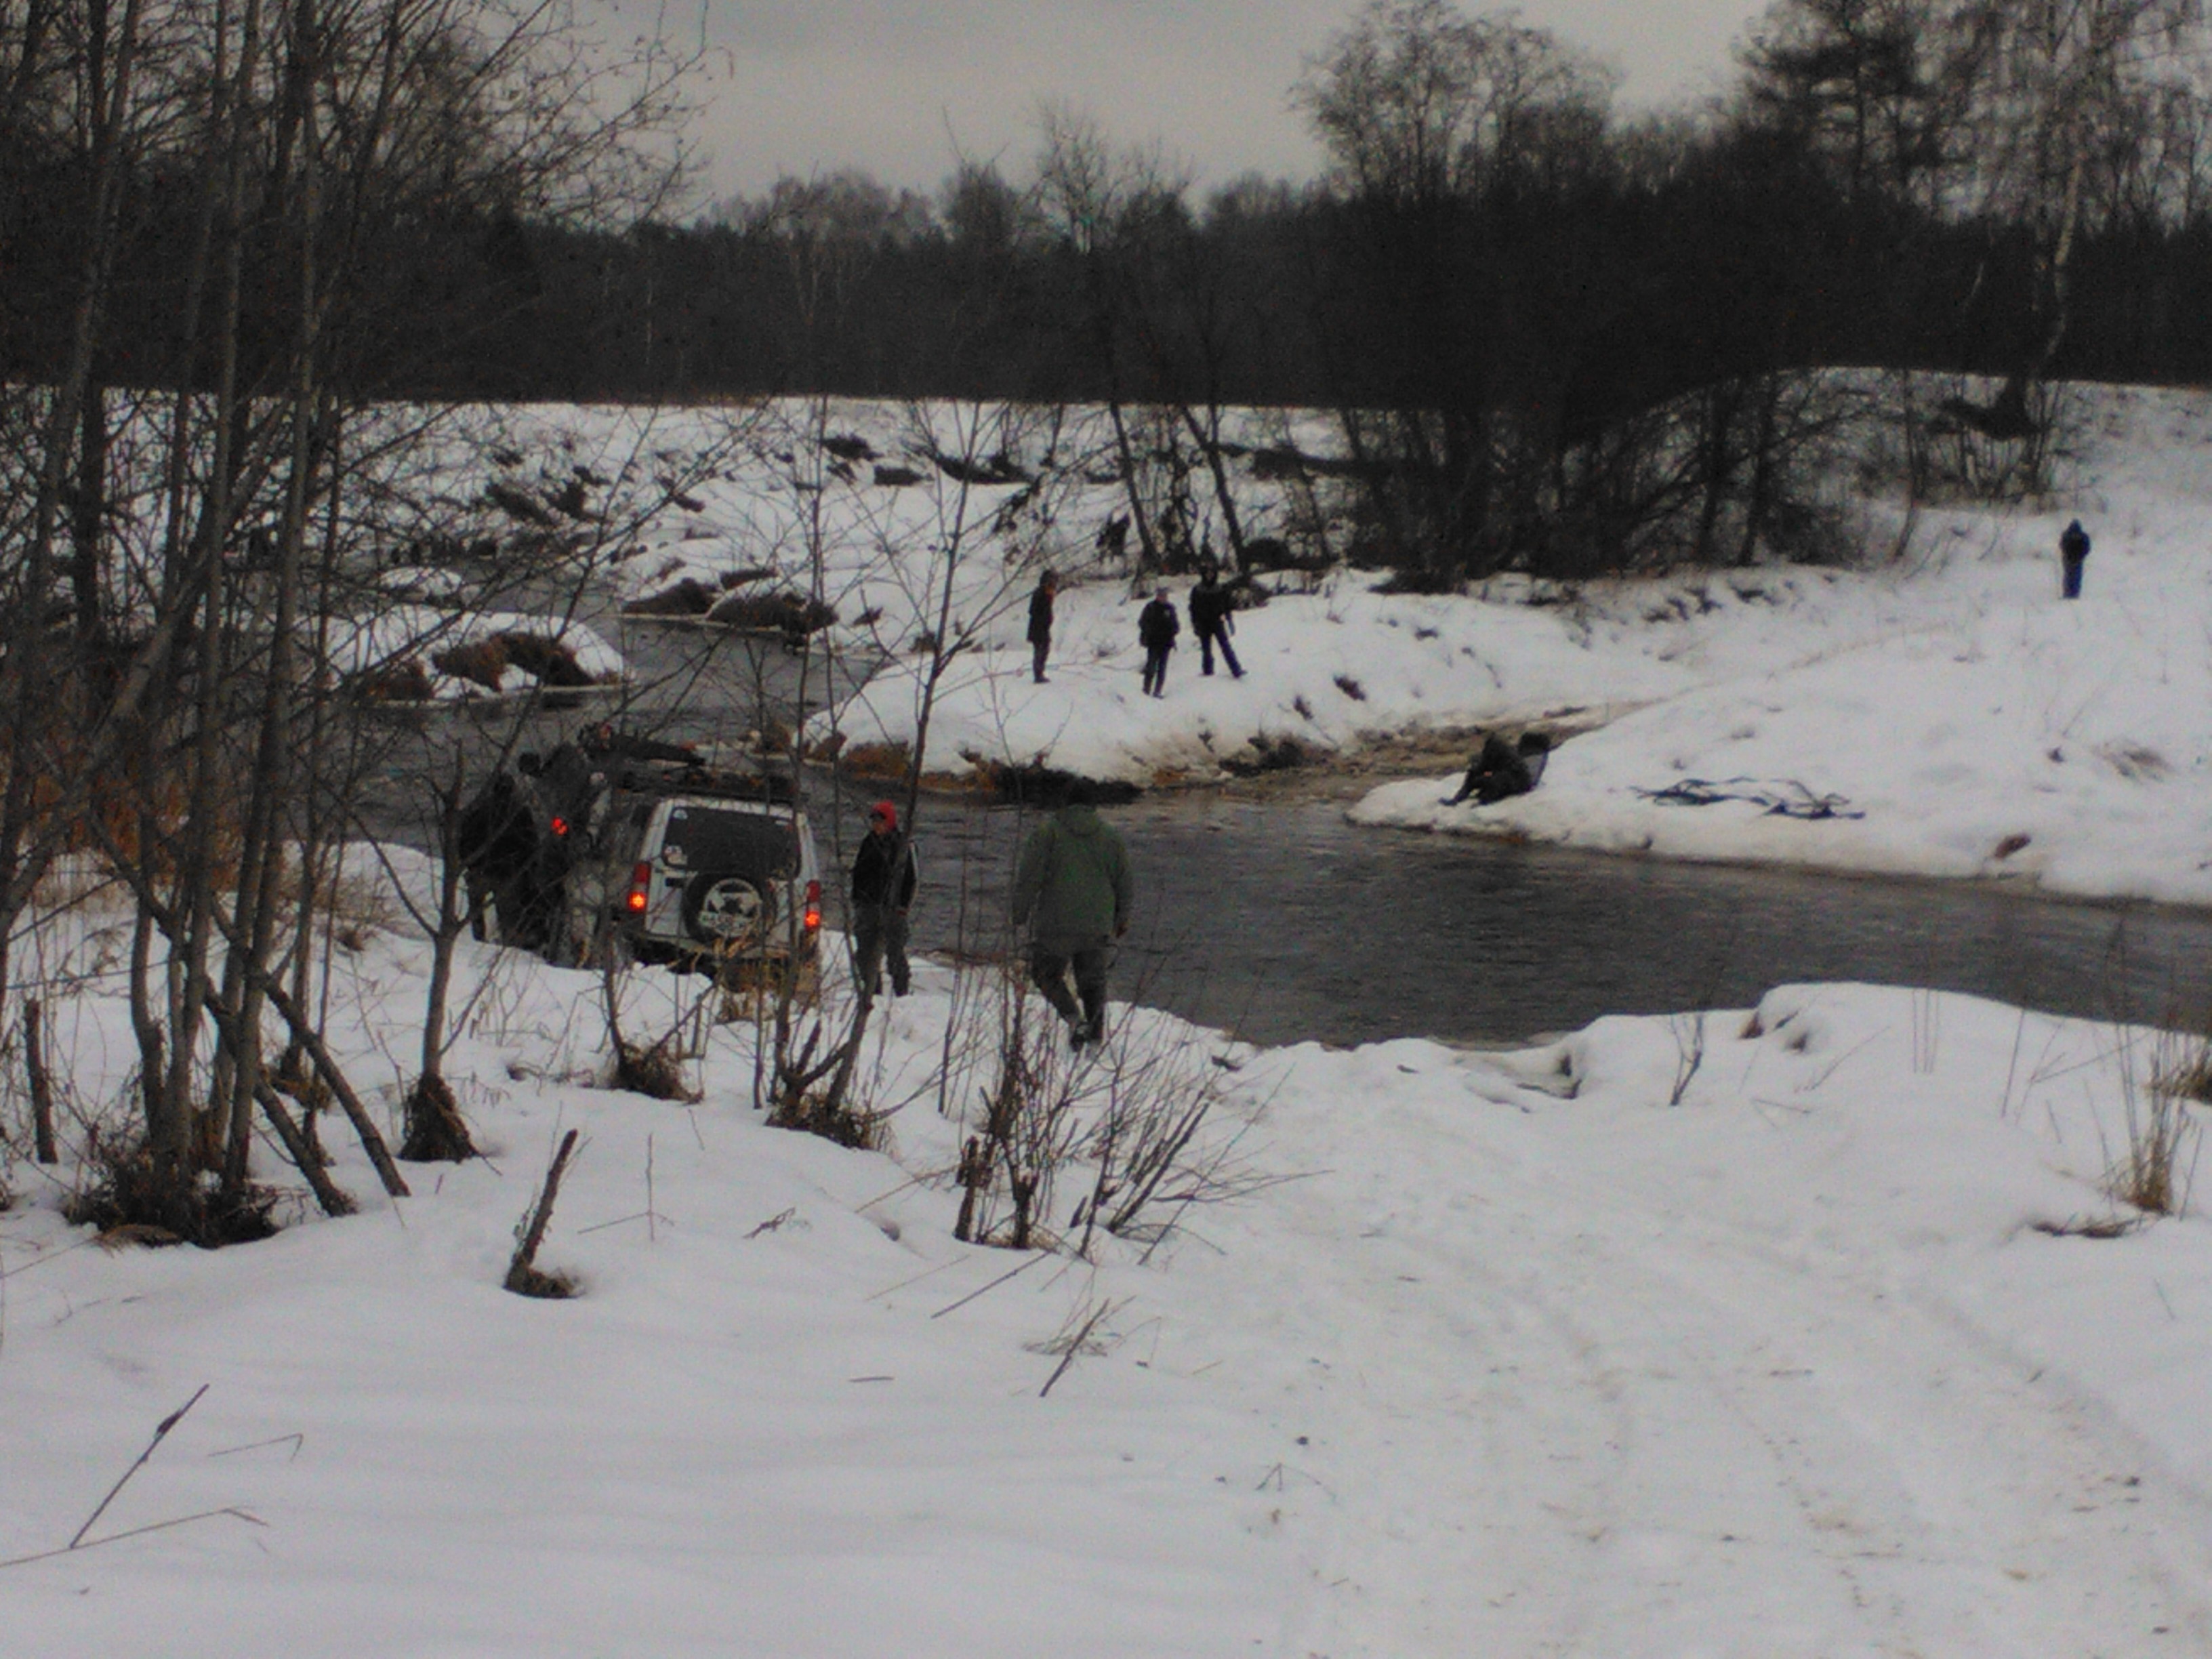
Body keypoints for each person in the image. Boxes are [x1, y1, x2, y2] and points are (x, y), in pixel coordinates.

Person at [1011, 783, 1132, 1048]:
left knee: (1045, 975)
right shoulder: (1111, 837)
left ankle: (1074, 1019)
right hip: (1097, 924)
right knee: (1093, 983)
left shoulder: (1048, 833)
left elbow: (1029, 878)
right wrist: (1122, 919)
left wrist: (1019, 913)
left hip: (1055, 923)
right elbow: (1124, 882)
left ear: (1065, 804)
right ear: (1093, 806)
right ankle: (1095, 1041)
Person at [848, 799, 918, 999]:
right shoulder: (868, 843)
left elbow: (913, 879)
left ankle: (901, 992)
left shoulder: (904, 846)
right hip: (867, 907)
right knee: (865, 954)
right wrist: (857, 900)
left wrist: (903, 906)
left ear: (890, 822)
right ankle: (873, 992)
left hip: (894, 909)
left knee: (895, 954)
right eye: (875, 821)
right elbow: (858, 874)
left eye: (881, 821)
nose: (877, 826)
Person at [1448, 731, 1551, 805]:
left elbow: (1506, 774)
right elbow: (1484, 768)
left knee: (1496, 778)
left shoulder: (1499, 751)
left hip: (1520, 782)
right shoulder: (1494, 750)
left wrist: (1486, 777)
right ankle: (1458, 799)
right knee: (1475, 774)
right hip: (1506, 777)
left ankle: (1484, 801)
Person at [1187, 564, 1243, 679]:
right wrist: (1195, 624)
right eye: (1207, 574)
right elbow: (1193, 608)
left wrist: (1229, 619)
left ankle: (1236, 670)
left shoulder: (1220, 589)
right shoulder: (1197, 590)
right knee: (1206, 649)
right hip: (1203, 623)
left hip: (1217, 621)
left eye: (1212, 574)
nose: (1210, 576)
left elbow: (1227, 605)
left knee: (1225, 646)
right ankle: (1208, 671)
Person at [1138, 586, 1180, 697]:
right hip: (1153, 642)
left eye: (1165, 596)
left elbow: (1176, 626)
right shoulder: (1150, 607)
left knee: (1162, 668)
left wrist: (1171, 632)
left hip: (1166, 643)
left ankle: (1158, 691)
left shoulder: (1170, 608)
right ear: (1157, 596)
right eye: (1161, 596)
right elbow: (1142, 622)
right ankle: (1146, 690)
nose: (1163, 598)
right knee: (1151, 667)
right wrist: (1149, 632)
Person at [1027, 570, 1059, 684]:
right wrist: (1044, 619)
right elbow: (1033, 611)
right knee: (1040, 651)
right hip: (1038, 628)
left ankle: (1040, 673)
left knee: (1044, 650)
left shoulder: (1047, 594)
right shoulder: (1040, 593)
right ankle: (1038, 675)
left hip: (1043, 628)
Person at [2060, 518, 2091, 599]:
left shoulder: (2066, 535)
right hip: (2078, 560)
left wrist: (2066, 555)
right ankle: (2075, 593)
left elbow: (2062, 546)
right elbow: (2087, 548)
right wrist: (2082, 556)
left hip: (2068, 559)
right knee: (2077, 577)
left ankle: (2067, 593)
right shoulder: (2083, 536)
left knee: (2068, 576)